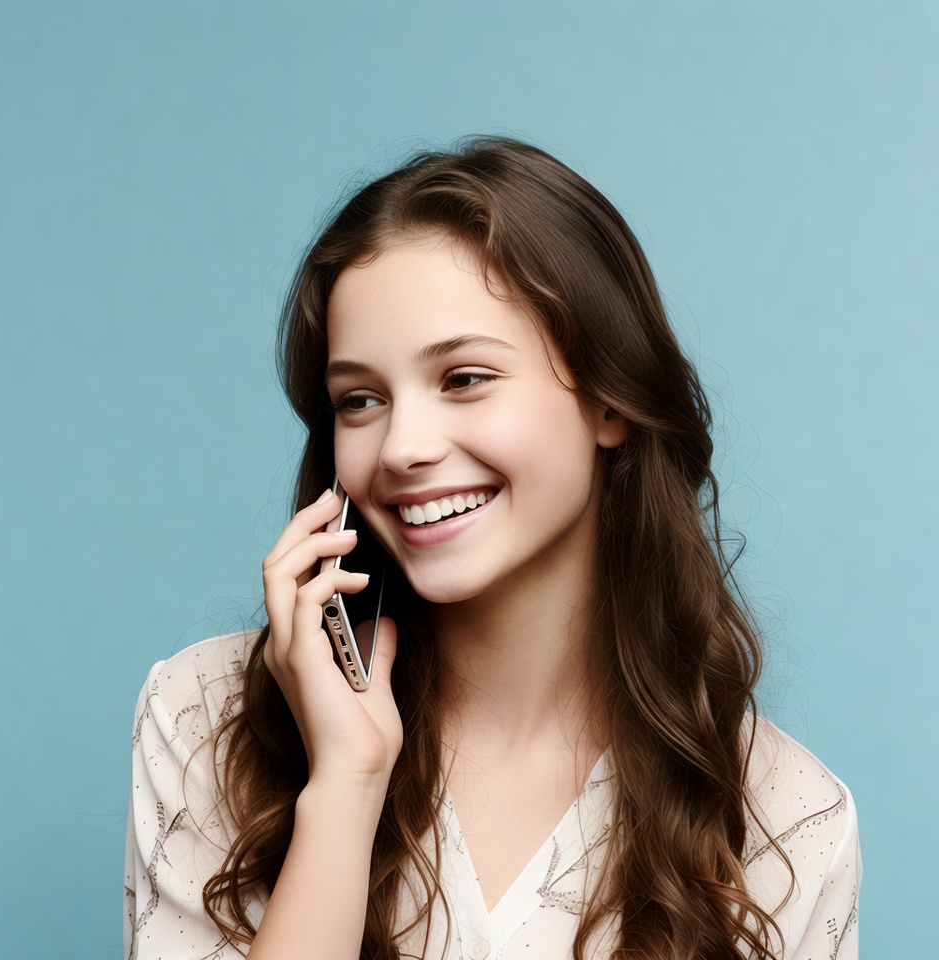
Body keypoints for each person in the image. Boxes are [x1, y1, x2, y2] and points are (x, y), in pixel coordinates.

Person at [124, 137, 860, 960]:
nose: (402, 446)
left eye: (464, 379)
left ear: (609, 401)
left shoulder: (788, 818)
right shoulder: (207, 720)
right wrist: (345, 788)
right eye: (359, 399)